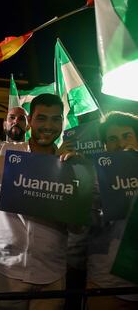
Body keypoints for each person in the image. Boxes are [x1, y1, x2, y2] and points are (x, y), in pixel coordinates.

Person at [0, 93, 76, 310]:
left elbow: (81, 223)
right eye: (42, 118)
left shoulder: (72, 164)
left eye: (56, 119)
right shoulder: (0, 153)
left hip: (51, 275)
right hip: (4, 273)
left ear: (63, 123)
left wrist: (80, 177)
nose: (49, 125)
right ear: (30, 122)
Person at [86, 111, 138, 310]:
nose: (121, 143)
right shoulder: (94, 177)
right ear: (105, 146)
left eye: (127, 136)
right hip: (106, 281)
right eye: (112, 139)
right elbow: (84, 224)